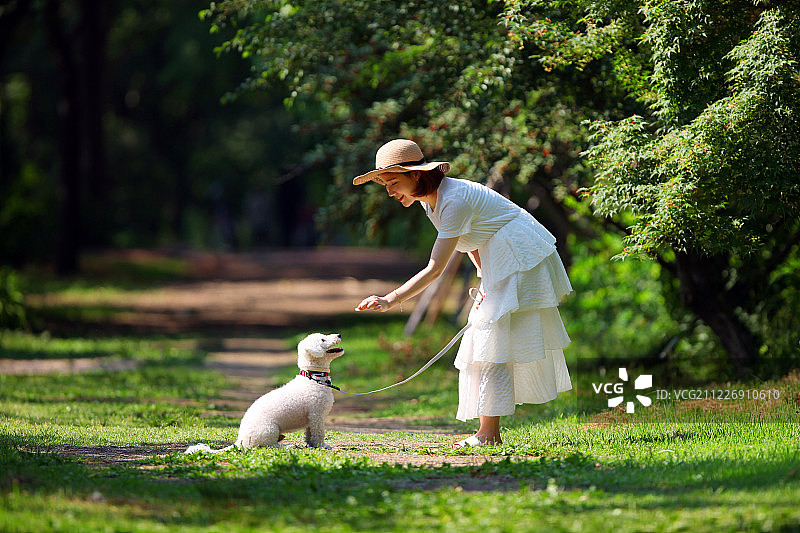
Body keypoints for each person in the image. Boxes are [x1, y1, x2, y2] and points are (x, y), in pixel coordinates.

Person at [354, 139, 572, 448]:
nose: (389, 191)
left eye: (393, 182)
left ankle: (488, 434)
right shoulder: (429, 199)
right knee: (485, 339)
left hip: (518, 251)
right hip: (497, 252)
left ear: (415, 175)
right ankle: (489, 432)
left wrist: (391, 299)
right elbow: (468, 240)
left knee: (488, 337)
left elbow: (435, 267)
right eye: (385, 184)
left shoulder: (453, 199)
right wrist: (484, 279)